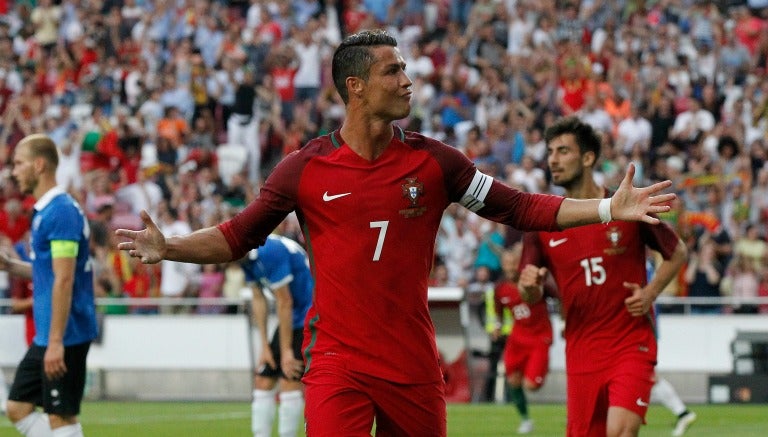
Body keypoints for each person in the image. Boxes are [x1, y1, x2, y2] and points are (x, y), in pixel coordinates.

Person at [115, 30, 675, 436]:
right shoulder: (304, 169)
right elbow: (238, 236)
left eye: (406, 69)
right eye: (393, 71)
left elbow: (519, 206)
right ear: (355, 86)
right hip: (338, 362)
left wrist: (605, 208)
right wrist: (171, 248)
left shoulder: (437, 163)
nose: (407, 80)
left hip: (412, 364)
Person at [517, 116, 688, 437]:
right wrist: (529, 288)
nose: (552, 159)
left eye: (563, 150)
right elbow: (529, 291)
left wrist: (650, 293)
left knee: (620, 432)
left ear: (588, 158)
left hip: (630, 341)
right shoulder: (541, 221)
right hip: (581, 349)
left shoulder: (626, 207)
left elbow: (677, 252)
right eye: (550, 151)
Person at [1, 134, 98, 437]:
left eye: (18, 163)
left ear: (39, 165)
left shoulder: (60, 212)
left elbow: (65, 278)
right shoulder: (47, 210)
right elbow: (49, 272)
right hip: (49, 333)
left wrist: (56, 341)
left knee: (61, 418)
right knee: (17, 407)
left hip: (65, 334)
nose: (13, 171)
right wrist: (10, 267)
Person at [240, 233, 313, 437]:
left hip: (310, 314)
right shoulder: (244, 258)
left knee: (289, 378)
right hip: (291, 317)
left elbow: (285, 301)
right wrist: (264, 346)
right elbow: (258, 298)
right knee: (263, 380)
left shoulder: (269, 250)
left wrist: (287, 350)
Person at [490, 244, 554, 435]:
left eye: (513, 264)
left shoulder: (534, 282)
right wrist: (497, 326)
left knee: (531, 386)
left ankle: (542, 366)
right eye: (507, 264)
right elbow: (499, 313)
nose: (510, 268)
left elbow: (558, 294)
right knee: (513, 381)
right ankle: (526, 420)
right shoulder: (500, 290)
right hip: (517, 337)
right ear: (502, 265)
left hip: (539, 337)